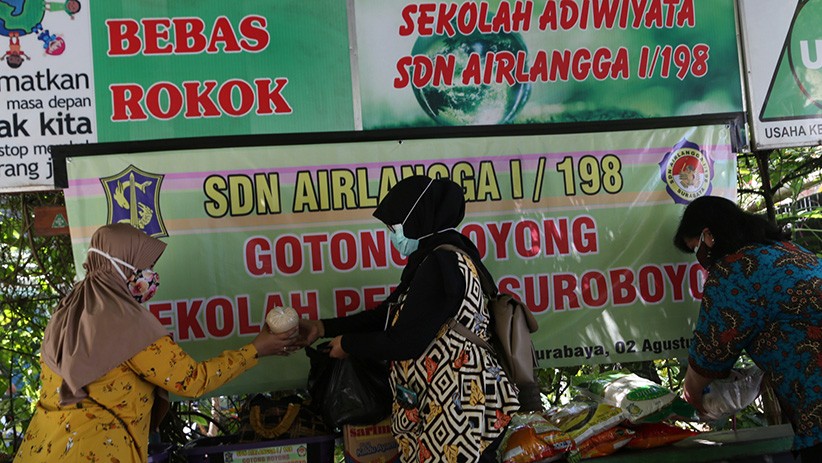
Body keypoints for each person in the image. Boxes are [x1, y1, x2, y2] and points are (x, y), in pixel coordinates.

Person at [15, 223, 299, 463]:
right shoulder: (124, 321)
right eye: (146, 266)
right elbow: (192, 380)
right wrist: (257, 349)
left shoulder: (69, 308)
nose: (150, 275)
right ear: (120, 264)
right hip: (95, 451)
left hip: (42, 447)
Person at [299, 175, 519, 463]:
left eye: (394, 227)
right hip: (452, 403)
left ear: (418, 219)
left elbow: (406, 341)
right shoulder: (441, 258)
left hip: (457, 408)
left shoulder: (442, 264)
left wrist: (349, 345)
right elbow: (385, 315)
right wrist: (324, 327)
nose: (392, 236)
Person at [673, 196, 822, 462]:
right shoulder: (790, 251)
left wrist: (692, 394)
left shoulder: (733, 272)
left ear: (708, 235)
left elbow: (711, 351)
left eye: (697, 249)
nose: (701, 260)